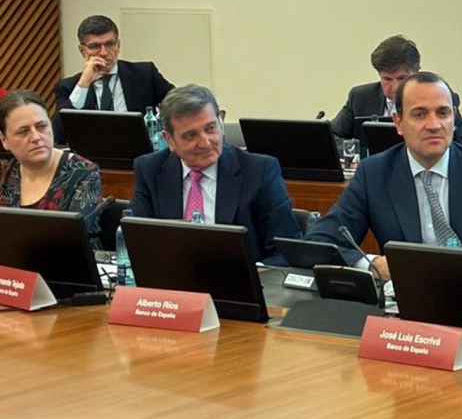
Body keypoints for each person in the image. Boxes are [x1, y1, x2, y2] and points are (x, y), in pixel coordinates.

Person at [308, 71, 462, 280]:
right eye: (419, 114)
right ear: (398, 123)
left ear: (454, 119)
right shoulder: (374, 173)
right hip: (403, 298)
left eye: (443, 113)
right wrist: (373, 265)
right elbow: (320, 243)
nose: (434, 125)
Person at [129, 84, 301, 266]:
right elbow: (136, 241)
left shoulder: (259, 171)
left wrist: (253, 274)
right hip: (172, 278)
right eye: (191, 136)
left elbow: (286, 253)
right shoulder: (150, 169)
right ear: (169, 140)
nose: (205, 143)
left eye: (210, 129)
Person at [330, 34, 462, 149]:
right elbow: (332, 137)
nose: (395, 87)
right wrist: (355, 152)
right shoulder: (360, 97)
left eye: (402, 78)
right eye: (387, 79)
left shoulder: (438, 98)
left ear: (417, 72)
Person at [52, 15, 174, 144]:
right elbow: (58, 135)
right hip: (92, 154)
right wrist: (83, 84)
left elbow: (179, 105)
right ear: (82, 51)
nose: (104, 53)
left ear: (118, 45)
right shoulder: (68, 87)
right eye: (95, 46)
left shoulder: (144, 74)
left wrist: (158, 126)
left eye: (110, 44)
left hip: (140, 152)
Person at [0, 91, 102, 244]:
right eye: (23, 131)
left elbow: (71, 239)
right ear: (4, 140)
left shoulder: (83, 172)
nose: (35, 137)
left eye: (41, 127)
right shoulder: (6, 173)